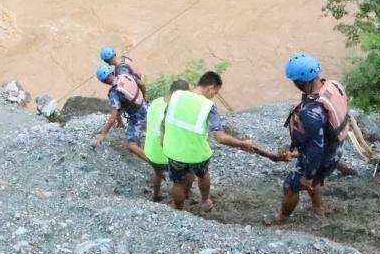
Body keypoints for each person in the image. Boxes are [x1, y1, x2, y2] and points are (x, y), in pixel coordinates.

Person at [161, 71, 282, 211]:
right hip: (196, 154)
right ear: (211, 87)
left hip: (174, 150)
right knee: (203, 175)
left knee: (177, 183)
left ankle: (178, 209)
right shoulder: (208, 106)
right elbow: (220, 137)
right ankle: (205, 201)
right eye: (215, 93)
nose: (214, 96)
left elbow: (165, 120)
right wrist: (242, 143)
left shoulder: (176, 95)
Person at [271, 53, 350, 225]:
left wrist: (307, 175)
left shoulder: (312, 111)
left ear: (301, 82)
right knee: (315, 177)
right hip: (336, 148)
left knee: (291, 186)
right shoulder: (332, 85)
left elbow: (316, 149)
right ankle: (318, 208)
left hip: (324, 155)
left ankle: (281, 219)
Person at [144, 79, 190, 202]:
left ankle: (156, 194)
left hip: (150, 151)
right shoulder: (176, 109)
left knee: (158, 172)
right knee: (186, 173)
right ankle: (184, 194)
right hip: (166, 154)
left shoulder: (155, 102)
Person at [91, 65, 148, 162]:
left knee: (131, 145)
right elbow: (142, 84)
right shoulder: (125, 75)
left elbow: (113, 117)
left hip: (138, 118)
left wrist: (102, 134)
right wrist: (144, 98)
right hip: (146, 106)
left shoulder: (114, 93)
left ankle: (155, 164)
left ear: (104, 81)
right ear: (112, 72)